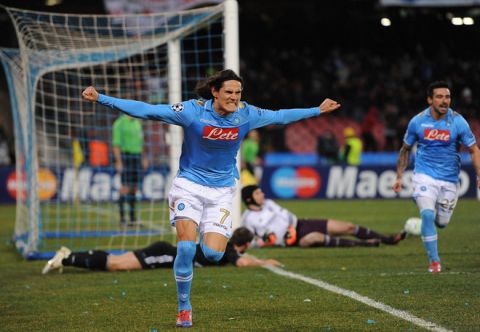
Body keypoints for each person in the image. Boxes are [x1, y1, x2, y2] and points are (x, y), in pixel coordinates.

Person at [82, 69, 341, 328]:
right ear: (215, 92)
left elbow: (281, 116)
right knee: (185, 246)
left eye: (238, 92)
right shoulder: (192, 111)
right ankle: (184, 308)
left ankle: (199, 252)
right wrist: (102, 98)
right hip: (189, 186)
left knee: (213, 254)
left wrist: (316, 110)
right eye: (229, 92)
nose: (234, 97)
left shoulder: (246, 114)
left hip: (221, 193)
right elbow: (148, 110)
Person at [393, 81, 480, 274]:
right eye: (439, 97)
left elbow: (474, 149)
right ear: (430, 99)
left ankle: (420, 225)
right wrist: (399, 176)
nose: (444, 101)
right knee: (427, 213)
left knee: (441, 222)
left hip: (450, 180)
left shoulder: (458, 121)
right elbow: (405, 149)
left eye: (447, 97)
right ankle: (434, 261)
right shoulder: (417, 121)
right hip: (424, 175)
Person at [41, 227, 281, 274]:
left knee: (116, 261)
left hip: (167, 251)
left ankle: (68, 255)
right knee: (117, 265)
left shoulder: (225, 247)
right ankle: (68, 259)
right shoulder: (228, 252)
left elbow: (241, 257)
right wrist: (264, 263)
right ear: (245, 244)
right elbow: (241, 262)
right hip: (168, 254)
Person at [241, 185, 406, 248]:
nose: (261, 193)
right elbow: (250, 241)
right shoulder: (247, 219)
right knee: (314, 238)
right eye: (257, 193)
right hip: (292, 241)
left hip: (301, 224)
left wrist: (291, 227)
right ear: (249, 199)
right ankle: (363, 244)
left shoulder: (269, 203)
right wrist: (269, 242)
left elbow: (287, 215)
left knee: (347, 226)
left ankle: (388, 239)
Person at [112, 114, 148, 226]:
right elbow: (116, 144)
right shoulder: (119, 123)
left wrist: (144, 158)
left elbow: (141, 143)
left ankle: (132, 219)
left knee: (134, 188)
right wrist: (118, 161)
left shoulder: (137, 123)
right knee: (125, 188)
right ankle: (122, 219)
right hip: (126, 157)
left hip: (137, 157)